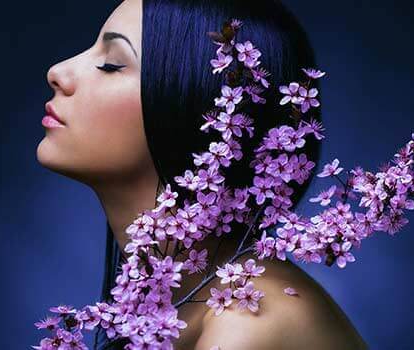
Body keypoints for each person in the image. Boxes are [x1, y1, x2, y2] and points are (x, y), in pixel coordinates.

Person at [38, 0, 367, 348]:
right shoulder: (175, 308)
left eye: (111, 64)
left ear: (195, 107)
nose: (58, 71)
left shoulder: (248, 324)